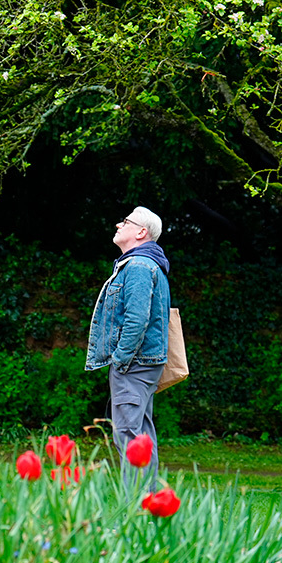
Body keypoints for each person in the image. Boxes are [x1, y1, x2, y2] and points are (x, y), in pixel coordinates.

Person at [85, 206, 171, 488]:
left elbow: (137, 319)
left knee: (128, 436)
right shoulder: (145, 264)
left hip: (134, 364)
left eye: (126, 222)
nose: (119, 225)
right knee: (141, 436)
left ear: (141, 232)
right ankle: (149, 504)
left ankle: (133, 511)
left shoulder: (138, 267)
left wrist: (120, 359)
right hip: (143, 363)